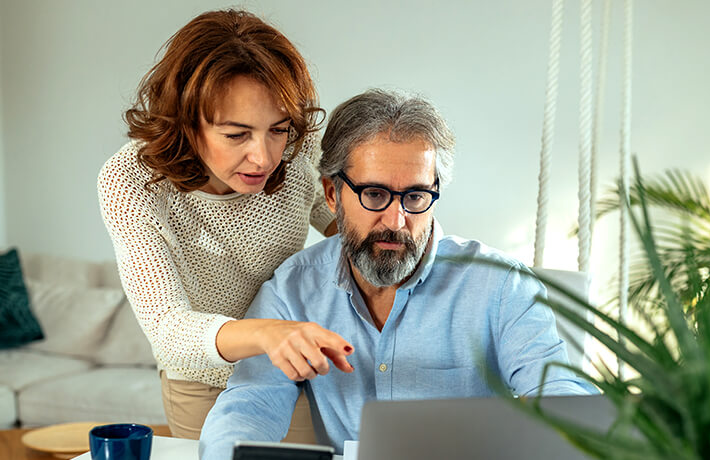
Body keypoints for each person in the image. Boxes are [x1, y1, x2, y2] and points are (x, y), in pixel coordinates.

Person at [199, 89, 596, 458]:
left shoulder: (501, 285)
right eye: (374, 194)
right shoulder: (293, 290)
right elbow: (249, 406)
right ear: (332, 193)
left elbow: (561, 394)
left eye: (416, 196)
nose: (397, 219)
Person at [97, 9, 354, 440]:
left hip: (295, 363)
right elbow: (168, 328)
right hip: (203, 380)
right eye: (237, 135)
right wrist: (270, 334)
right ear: (185, 123)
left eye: (278, 129)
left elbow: (348, 233)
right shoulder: (132, 183)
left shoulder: (298, 149)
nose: (265, 157)